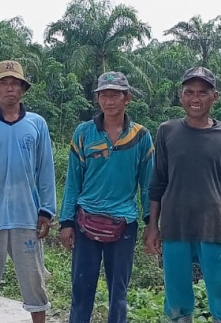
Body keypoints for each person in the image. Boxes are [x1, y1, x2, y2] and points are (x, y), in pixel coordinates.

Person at [145, 66, 221, 323]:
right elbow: (157, 182)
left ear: (214, 97)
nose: (195, 98)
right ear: (180, 97)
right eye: (189, 92)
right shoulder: (167, 131)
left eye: (202, 93)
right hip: (175, 227)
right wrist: (152, 226)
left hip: (213, 227)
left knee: (220, 295)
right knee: (177, 300)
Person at [0, 60, 57, 323]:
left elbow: (45, 169)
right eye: (3, 83)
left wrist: (46, 210)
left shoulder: (36, 124)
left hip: (26, 217)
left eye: (14, 83)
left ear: (23, 89)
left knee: (34, 282)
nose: (9, 88)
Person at [58, 71, 154, 323]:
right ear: (97, 99)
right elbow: (73, 181)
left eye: (115, 95)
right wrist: (66, 222)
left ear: (127, 98)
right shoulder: (83, 133)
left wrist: (151, 224)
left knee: (118, 293)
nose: (109, 101)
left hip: (124, 223)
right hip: (85, 221)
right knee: (81, 291)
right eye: (104, 95)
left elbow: (147, 185)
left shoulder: (141, 137)